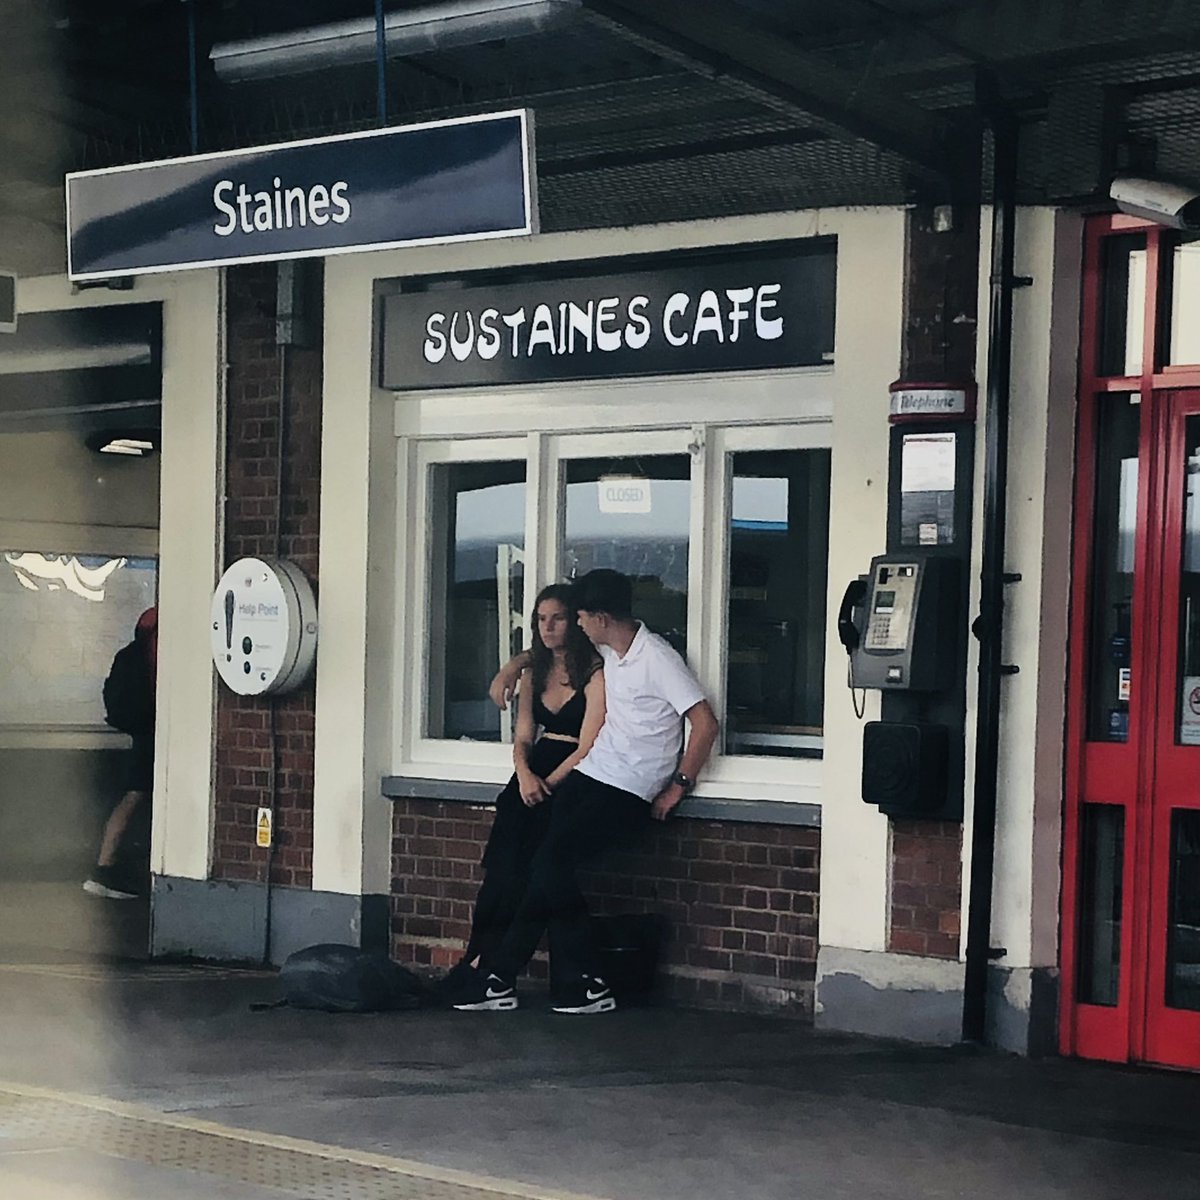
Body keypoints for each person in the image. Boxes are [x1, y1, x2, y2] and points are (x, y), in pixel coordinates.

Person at [454, 568, 719, 1015]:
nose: (575, 624)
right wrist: (512, 667)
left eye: (579, 616)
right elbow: (546, 650)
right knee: (542, 865)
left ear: (599, 617)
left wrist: (678, 786)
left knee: (553, 864)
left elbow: (705, 722)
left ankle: (556, 978)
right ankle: (516, 979)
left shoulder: (656, 657)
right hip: (594, 772)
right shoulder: (610, 651)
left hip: (630, 787)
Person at [440, 584, 605, 1003]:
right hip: (531, 770)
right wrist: (525, 773)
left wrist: (549, 783)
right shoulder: (534, 671)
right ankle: (478, 959)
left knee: (538, 871)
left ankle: (500, 968)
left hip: (572, 774)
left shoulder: (596, 671)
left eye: (558, 618)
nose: (548, 627)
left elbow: (589, 744)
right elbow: (524, 733)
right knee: (501, 870)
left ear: (575, 620)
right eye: (540, 619)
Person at [84, 606, 157, 900]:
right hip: (155, 733)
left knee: (135, 794)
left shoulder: (131, 652)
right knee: (135, 795)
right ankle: (105, 867)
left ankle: (109, 866)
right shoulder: (156, 650)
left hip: (142, 731)